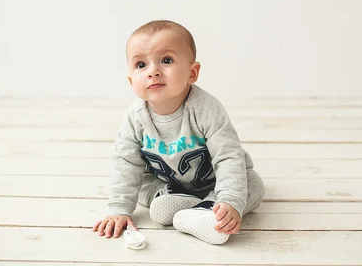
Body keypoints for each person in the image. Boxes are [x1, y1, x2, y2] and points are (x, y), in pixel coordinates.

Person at [92, 20, 264, 245]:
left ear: (192, 72)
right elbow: (126, 163)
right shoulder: (135, 117)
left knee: (253, 185)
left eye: (166, 60)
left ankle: (212, 207)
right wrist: (120, 209)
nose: (153, 71)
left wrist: (230, 200)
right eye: (141, 65)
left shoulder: (206, 109)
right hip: (168, 180)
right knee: (142, 181)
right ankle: (172, 198)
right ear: (131, 80)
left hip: (214, 180)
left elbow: (228, 156)